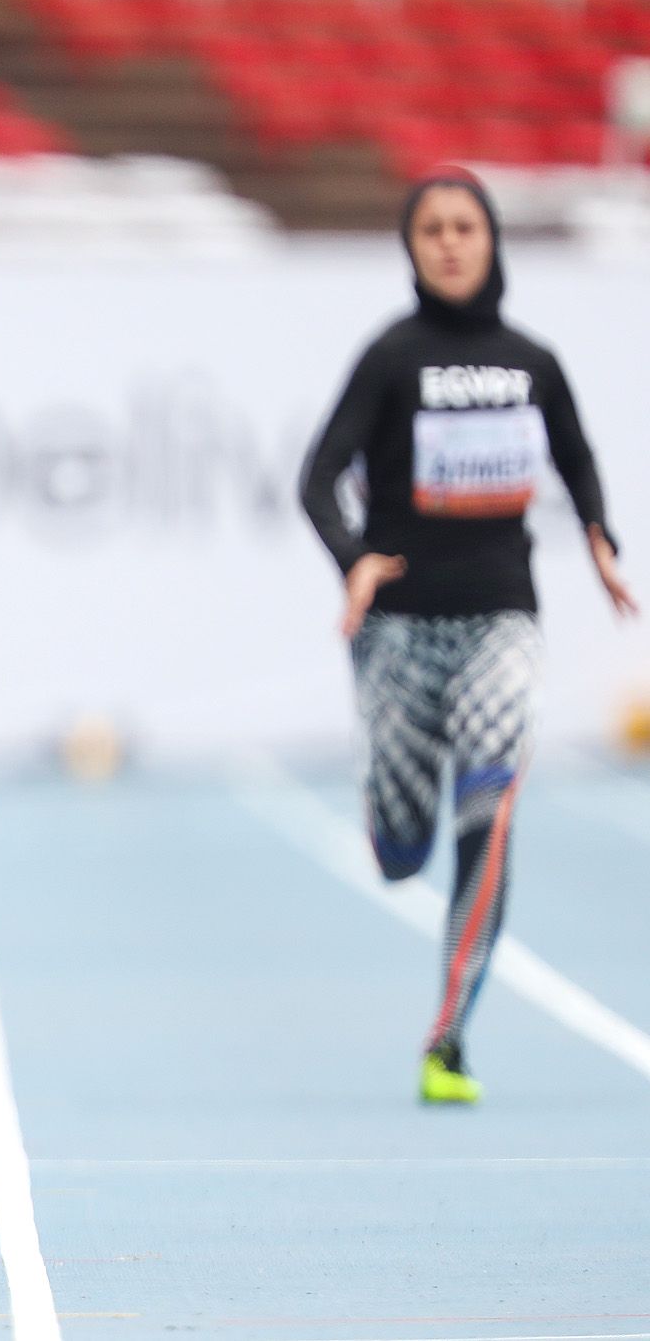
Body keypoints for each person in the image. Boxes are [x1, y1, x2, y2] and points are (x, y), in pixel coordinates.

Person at [299, 168, 633, 1104]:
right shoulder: (390, 358)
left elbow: (577, 455)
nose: (449, 242)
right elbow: (317, 475)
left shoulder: (533, 359)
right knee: (402, 851)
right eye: (432, 229)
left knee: (491, 801)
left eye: (466, 226)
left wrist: (602, 539)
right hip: (400, 634)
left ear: (492, 242)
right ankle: (390, 810)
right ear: (412, 248)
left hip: (501, 621)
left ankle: (448, 1038)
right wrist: (354, 556)